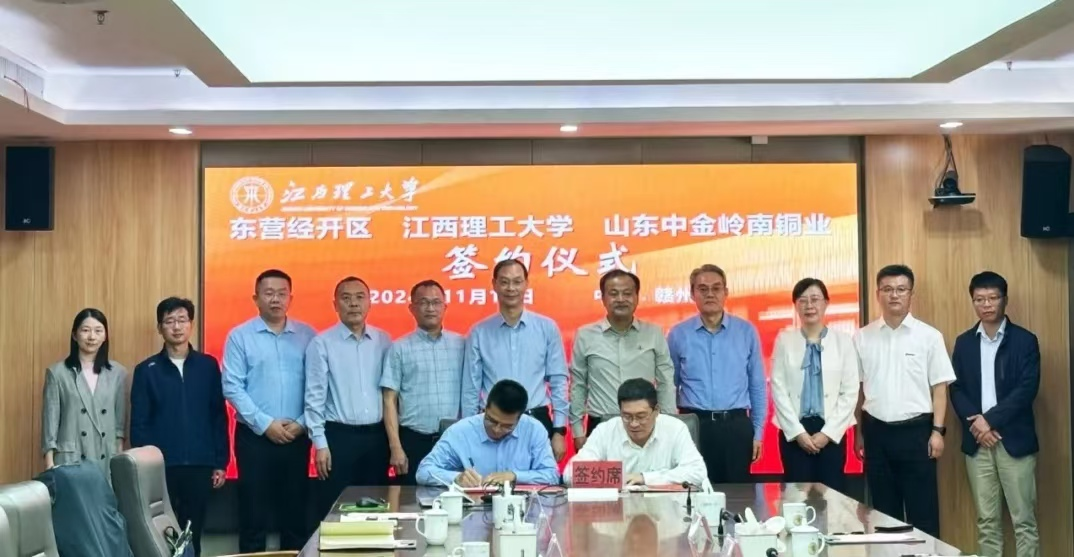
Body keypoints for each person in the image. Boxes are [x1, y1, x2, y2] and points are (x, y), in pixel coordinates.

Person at [854, 264, 954, 538]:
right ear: (878, 294)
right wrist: (859, 433)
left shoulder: (929, 336)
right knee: (884, 513)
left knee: (923, 511)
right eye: (887, 289)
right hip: (876, 432)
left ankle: (927, 555)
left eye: (901, 289)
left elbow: (940, 388)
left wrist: (938, 431)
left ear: (911, 294)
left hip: (917, 433)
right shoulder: (862, 337)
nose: (894, 295)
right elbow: (859, 390)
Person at [222, 269, 317, 553]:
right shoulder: (240, 336)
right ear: (256, 298)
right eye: (269, 293)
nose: (275, 299)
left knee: (295, 514)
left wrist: (302, 423)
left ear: (290, 298)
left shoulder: (308, 336)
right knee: (253, 514)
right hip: (254, 438)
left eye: (281, 293)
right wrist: (265, 424)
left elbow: (319, 386)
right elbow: (232, 386)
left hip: (298, 436)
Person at [950, 271, 1040, 557]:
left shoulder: (1025, 341)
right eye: (979, 299)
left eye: (992, 298)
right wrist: (979, 425)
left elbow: (1027, 389)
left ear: (1005, 300)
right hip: (977, 442)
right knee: (987, 522)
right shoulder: (964, 342)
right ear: (973, 302)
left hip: (1014, 441)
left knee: (1023, 521)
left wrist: (990, 420)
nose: (986, 304)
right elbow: (956, 388)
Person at [129, 297, 228, 557]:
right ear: (159, 327)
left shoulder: (208, 366)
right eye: (169, 321)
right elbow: (139, 422)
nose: (176, 327)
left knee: (193, 529)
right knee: (161, 532)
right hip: (162, 466)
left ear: (191, 325)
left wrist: (220, 461)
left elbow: (218, 415)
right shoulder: (146, 370)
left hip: (200, 463)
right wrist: (146, 465)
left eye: (182, 320)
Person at [667, 264, 767, 484]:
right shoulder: (678, 334)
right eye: (703, 289)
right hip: (694, 425)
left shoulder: (746, 331)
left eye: (716, 288)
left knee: (737, 495)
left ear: (726, 292)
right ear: (692, 294)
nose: (710, 294)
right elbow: (669, 386)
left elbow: (757, 385)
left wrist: (758, 432)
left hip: (736, 425)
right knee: (695, 490)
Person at [461, 259, 569, 461]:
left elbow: (558, 382)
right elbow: (471, 389)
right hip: (493, 424)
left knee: (538, 478)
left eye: (517, 282)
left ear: (526, 284)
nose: (511, 288)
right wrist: (469, 433)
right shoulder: (479, 332)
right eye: (504, 282)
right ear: (494, 285)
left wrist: (559, 430)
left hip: (536, 420)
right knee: (491, 478)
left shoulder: (547, 328)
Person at [305, 276, 392, 513]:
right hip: (339, 438)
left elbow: (391, 393)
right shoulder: (322, 343)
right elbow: (314, 398)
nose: (353, 303)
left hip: (377, 437)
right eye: (346, 298)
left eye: (359, 297)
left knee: (377, 507)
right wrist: (320, 444)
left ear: (369, 302)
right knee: (337, 509)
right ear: (335, 305)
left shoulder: (384, 340)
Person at [769, 278, 860, 492]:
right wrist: (797, 432)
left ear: (826, 303)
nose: (809, 305)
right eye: (802, 300)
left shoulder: (843, 341)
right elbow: (778, 389)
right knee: (795, 499)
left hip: (831, 432)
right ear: (795, 305)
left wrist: (828, 433)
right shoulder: (784, 340)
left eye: (815, 299)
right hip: (795, 432)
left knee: (832, 498)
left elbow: (850, 391)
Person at [569, 270, 675, 449]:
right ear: (603, 298)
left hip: (644, 425)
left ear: (637, 297)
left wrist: (669, 426)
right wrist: (578, 431)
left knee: (645, 469)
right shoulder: (585, 335)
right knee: (604, 469)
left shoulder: (654, 333)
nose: (620, 299)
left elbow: (665, 382)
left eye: (627, 293)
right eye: (613, 293)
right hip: (601, 425)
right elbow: (578, 385)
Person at [381, 279, 465, 485]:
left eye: (436, 302)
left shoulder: (462, 345)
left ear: (445, 307)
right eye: (423, 302)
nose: (430, 308)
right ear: (412, 308)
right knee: (412, 499)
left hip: (454, 440)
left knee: (456, 497)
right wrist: (396, 447)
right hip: (413, 441)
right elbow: (389, 400)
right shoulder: (399, 348)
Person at [416, 379, 559, 487]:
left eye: (507, 426)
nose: (497, 429)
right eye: (491, 420)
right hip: (470, 510)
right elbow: (423, 471)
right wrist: (456, 478)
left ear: (519, 418)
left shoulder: (534, 430)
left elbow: (552, 475)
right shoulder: (460, 432)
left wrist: (515, 476)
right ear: (485, 408)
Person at [564, 378, 706, 486]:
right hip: (618, 511)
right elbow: (569, 474)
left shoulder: (675, 429)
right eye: (626, 416)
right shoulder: (605, 430)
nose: (634, 423)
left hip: (665, 509)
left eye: (641, 416)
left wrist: (644, 478)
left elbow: (697, 472)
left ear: (656, 411)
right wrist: (615, 477)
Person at [42, 308, 128, 479]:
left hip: (105, 456)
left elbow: (119, 426)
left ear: (105, 336)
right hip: (71, 458)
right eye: (86, 330)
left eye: (98, 331)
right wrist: (49, 463)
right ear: (75, 335)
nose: (92, 337)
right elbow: (50, 423)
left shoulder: (118, 373)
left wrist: (118, 455)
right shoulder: (57, 373)